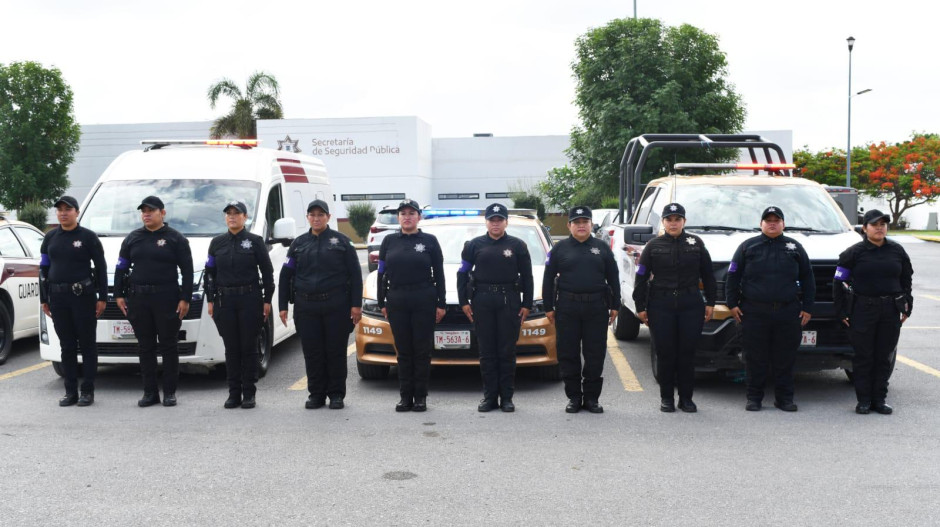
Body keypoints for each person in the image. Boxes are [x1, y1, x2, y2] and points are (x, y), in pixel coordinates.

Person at [726, 206, 814, 412]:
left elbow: (808, 278)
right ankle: (754, 398)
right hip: (754, 312)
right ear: (761, 224)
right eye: (768, 221)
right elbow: (733, 276)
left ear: (783, 224)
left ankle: (784, 399)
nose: (772, 224)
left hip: (787, 311)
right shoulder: (747, 247)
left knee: (785, 358)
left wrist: (808, 307)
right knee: (755, 357)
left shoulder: (794, 247)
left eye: (776, 220)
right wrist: (732, 304)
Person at [278, 199, 362, 410]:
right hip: (306, 307)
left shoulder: (342, 242)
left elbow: (355, 275)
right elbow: (285, 275)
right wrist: (282, 305)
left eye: (320, 215)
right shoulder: (298, 244)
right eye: (312, 215)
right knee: (312, 352)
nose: (316, 218)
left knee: (335, 352)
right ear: (307, 217)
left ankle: (336, 394)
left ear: (328, 217)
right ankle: (316, 394)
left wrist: (356, 305)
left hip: (336, 305)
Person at [633, 203, 717, 413]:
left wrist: (711, 302)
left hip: (690, 304)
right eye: (669, 219)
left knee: (687, 353)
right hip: (661, 305)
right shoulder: (653, 246)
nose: (673, 223)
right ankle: (667, 398)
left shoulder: (696, 243)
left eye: (677, 219)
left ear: (684, 221)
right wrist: (640, 306)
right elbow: (641, 277)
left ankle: (686, 398)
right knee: (665, 353)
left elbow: (708, 275)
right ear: (663, 222)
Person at [114, 196, 194, 408]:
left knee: (168, 345)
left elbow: (187, 271)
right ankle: (150, 392)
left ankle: (169, 392)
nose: (146, 214)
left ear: (162, 213)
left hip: (167, 298)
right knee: (145, 346)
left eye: (151, 210)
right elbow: (121, 267)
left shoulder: (175, 238)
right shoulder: (133, 238)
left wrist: (185, 298)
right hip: (139, 299)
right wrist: (119, 295)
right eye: (144, 211)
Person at [833, 209, 913, 415]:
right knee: (864, 357)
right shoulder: (853, 253)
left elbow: (906, 279)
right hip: (863, 309)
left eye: (883, 224)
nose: (879, 228)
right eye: (875, 224)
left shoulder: (897, 251)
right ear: (864, 228)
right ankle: (864, 401)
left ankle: (879, 400)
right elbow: (839, 282)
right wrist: (841, 311)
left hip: (890, 309)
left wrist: (907, 304)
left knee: (884, 356)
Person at [457, 203, 534, 413]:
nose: (496, 223)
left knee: (507, 351)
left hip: (509, 300)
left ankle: (507, 398)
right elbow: (462, 273)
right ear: (486, 222)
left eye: (500, 220)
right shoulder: (474, 245)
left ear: (506, 222)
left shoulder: (517, 245)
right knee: (487, 352)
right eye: (492, 220)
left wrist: (527, 304)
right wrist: (464, 301)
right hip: (482, 301)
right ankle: (489, 397)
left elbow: (527, 276)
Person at [543, 205, 619, 414]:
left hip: (596, 307)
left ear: (591, 224)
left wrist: (616, 305)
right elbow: (548, 278)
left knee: (595, 353)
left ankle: (592, 398)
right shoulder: (559, 249)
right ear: (569, 226)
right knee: (568, 353)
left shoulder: (602, 248)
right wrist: (548, 307)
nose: (581, 226)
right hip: (567, 307)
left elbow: (613, 277)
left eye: (585, 222)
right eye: (576, 222)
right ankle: (574, 398)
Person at [377, 199, 446, 412]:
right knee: (404, 350)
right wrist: (381, 301)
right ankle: (405, 396)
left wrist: (441, 303)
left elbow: (439, 274)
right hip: (397, 299)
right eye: (403, 213)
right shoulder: (389, 241)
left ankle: (420, 397)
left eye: (411, 213)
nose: (407, 217)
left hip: (423, 298)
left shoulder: (430, 241)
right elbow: (381, 273)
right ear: (398, 217)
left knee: (422, 351)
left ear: (419, 217)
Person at [39, 196, 108, 407]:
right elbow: (43, 269)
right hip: (58, 298)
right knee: (67, 345)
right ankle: (70, 392)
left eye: (68, 209)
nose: (63, 213)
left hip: (82, 297)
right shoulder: (50, 238)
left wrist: (102, 297)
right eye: (60, 209)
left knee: (87, 345)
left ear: (76, 212)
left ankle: (87, 391)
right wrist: (44, 298)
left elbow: (101, 268)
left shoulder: (88, 237)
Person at [205, 200, 275, 409]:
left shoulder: (255, 241)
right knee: (231, 348)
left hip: (249, 300)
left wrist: (267, 300)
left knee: (249, 347)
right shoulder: (217, 243)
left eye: (237, 213)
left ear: (245, 217)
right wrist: (210, 300)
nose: (232, 217)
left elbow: (267, 272)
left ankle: (249, 393)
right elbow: (210, 273)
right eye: (229, 213)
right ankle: (233, 393)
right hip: (225, 301)